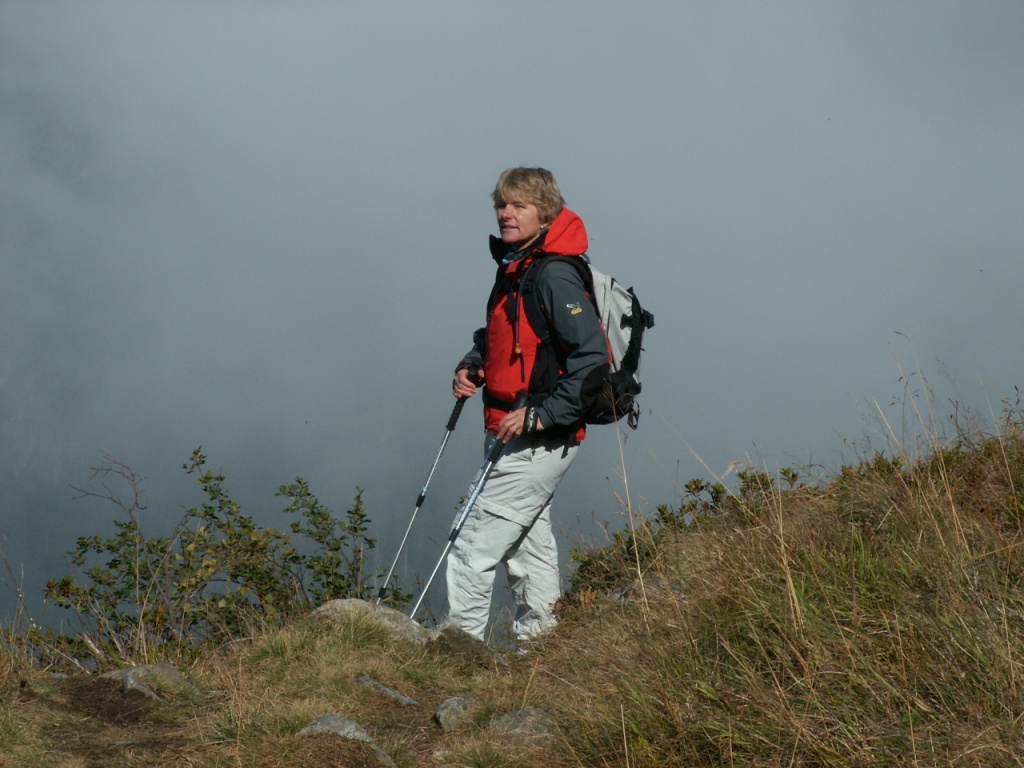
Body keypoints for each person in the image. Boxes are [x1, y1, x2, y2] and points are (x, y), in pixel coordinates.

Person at [445, 167, 609, 644]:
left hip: (537, 435)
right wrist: (474, 364)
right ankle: (540, 650)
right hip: (513, 428)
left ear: (546, 213)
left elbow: (592, 360)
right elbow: (505, 336)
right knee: (528, 551)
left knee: (471, 542)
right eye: (502, 204)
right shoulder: (518, 266)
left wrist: (540, 415)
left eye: (519, 205)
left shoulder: (553, 273)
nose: (506, 213)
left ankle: (458, 654)